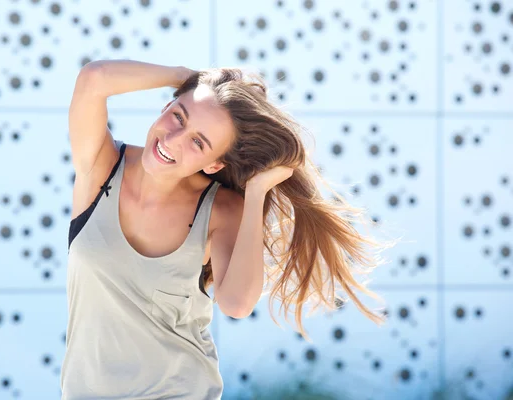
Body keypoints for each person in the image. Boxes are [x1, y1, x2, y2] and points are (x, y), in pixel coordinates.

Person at [60, 60, 398, 399]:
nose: (174, 139)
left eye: (198, 142)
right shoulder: (101, 166)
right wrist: (185, 78)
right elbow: (93, 79)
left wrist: (254, 195)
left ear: (214, 164)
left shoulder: (220, 209)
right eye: (178, 116)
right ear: (167, 105)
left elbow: (236, 303)